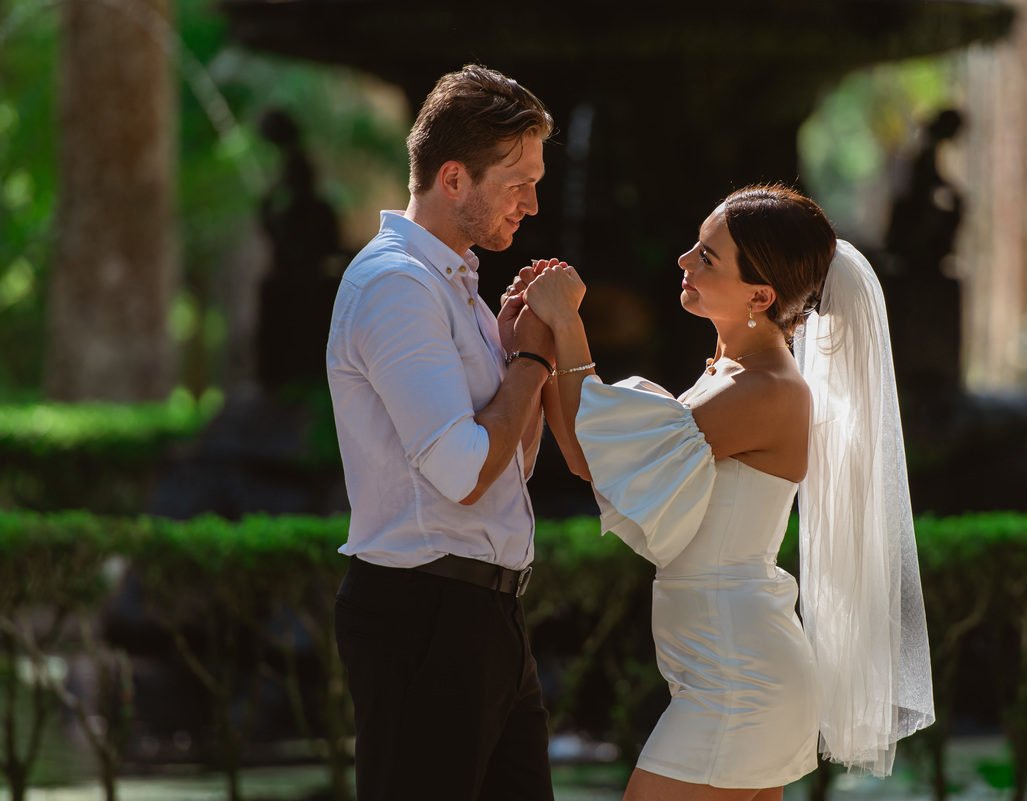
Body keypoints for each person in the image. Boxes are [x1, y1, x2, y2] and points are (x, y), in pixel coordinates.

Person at [517, 184, 935, 800]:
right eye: (695, 246)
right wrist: (544, 339)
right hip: (728, 673)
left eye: (707, 257)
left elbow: (591, 455)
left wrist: (566, 323)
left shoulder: (768, 390)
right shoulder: (728, 374)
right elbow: (591, 452)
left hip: (740, 682)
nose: (684, 261)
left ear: (760, 296)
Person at [325, 65, 563, 801]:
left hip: (488, 617)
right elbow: (463, 471)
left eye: (537, 178)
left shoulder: (457, 285)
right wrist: (531, 357)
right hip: (425, 618)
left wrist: (527, 353)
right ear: (453, 178)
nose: (532, 201)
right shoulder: (396, 285)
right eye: (516, 180)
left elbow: (510, 467)